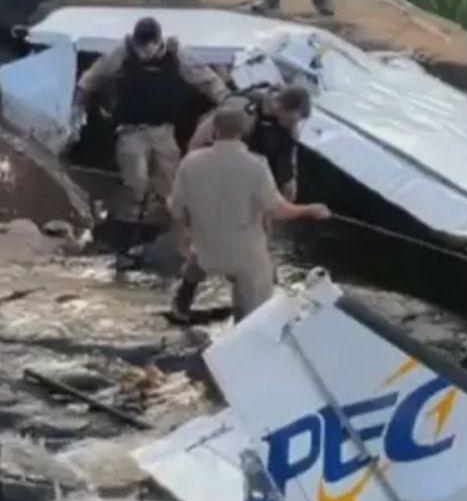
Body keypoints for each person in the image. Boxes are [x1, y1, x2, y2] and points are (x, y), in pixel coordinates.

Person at [169, 107, 332, 322]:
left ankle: (181, 303)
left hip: (206, 251)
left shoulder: (190, 162)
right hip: (244, 257)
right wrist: (310, 209)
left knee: (201, 250)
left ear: (213, 130)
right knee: (259, 287)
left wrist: (186, 231)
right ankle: (245, 321)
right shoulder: (257, 165)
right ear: (245, 131)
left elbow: (176, 208)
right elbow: (277, 210)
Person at [75, 17, 227, 230]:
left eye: (148, 47)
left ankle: (169, 229)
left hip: (164, 130)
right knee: (136, 180)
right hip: (132, 130)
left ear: (157, 42)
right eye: (140, 47)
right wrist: (78, 110)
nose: (143, 53)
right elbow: (91, 79)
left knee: (170, 183)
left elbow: (206, 80)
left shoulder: (177, 54)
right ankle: (126, 225)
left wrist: (227, 102)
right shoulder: (123, 53)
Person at [188, 84, 311, 200]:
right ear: (281, 107)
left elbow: (288, 159)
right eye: (292, 120)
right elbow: (202, 135)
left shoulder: (288, 126)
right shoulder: (243, 110)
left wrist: (289, 183)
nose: (294, 125)